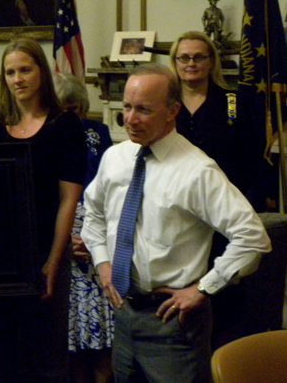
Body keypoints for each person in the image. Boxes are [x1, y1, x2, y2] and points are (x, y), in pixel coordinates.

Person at [81, 63, 271, 383]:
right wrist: (102, 263)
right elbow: (94, 212)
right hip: (124, 314)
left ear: (173, 111)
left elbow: (253, 238)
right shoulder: (116, 157)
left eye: (143, 109)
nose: (130, 119)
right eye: (126, 107)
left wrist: (203, 289)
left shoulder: (197, 171)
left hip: (173, 323)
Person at [0, 38, 87, 382]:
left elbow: (68, 200)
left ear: (41, 72)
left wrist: (53, 261)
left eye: (25, 70)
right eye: (10, 72)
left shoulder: (64, 126)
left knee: (46, 354)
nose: (17, 79)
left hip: (45, 250)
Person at [169, 31, 265, 348]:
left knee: (224, 300)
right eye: (184, 57)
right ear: (175, 62)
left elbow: (253, 161)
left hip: (223, 216)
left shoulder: (233, 103)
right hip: (176, 215)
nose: (191, 63)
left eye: (199, 56)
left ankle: (221, 359)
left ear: (211, 61)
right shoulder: (165, 107)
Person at [54, 73, 114, 383]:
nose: (69, 116)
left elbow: (110, 188)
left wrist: (93, 237)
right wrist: (66, 240)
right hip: (61, 235)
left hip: (97, 235)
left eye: (74, 109)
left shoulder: (98, 133)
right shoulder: (47, 134)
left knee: (102, 339)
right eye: (62, 109)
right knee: (70, 338)